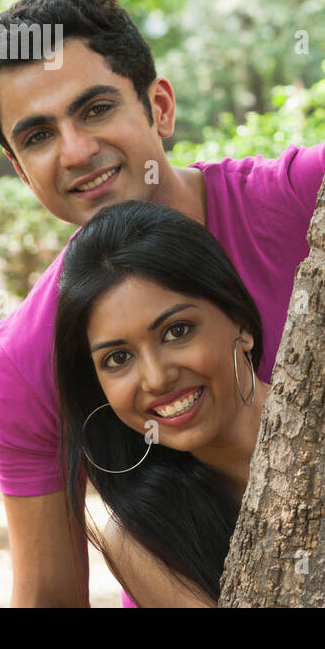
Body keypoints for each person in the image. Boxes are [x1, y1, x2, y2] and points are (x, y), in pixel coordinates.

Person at [0, 0, 325, 607]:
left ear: (158, 106)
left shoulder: (307, 203)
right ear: (20, 169)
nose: (76, 151)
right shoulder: (26, 361)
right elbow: (49, 599)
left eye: (94, 109)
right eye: (37, 137)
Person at [55, 200, 268, 607]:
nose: (156, 378)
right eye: (118, 358)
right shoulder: (142, 539)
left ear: (240, 322)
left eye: (177, 331)